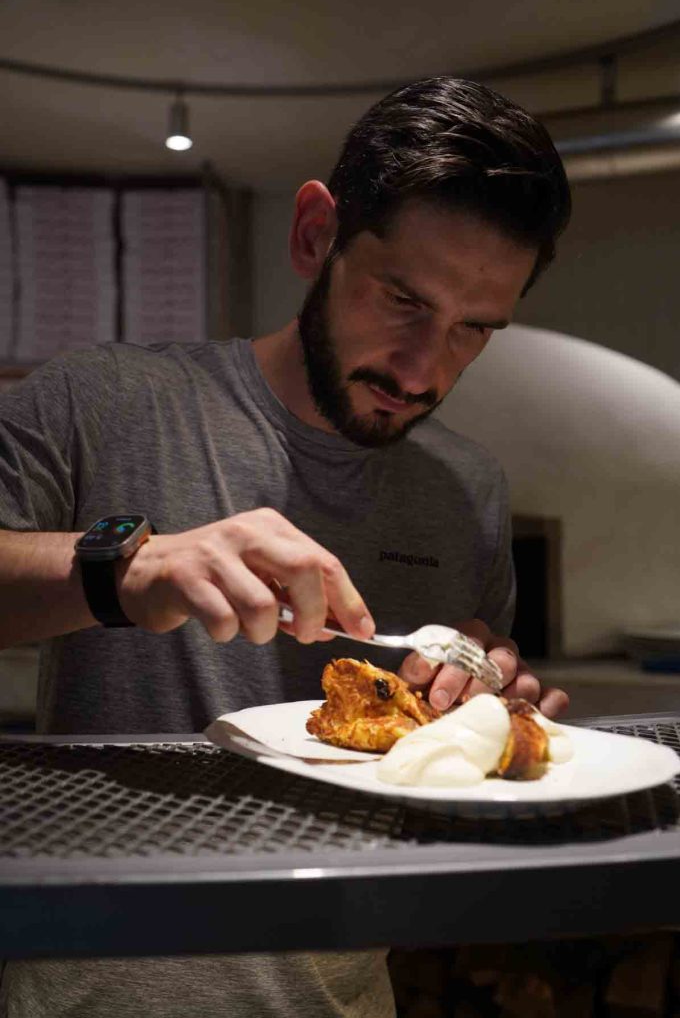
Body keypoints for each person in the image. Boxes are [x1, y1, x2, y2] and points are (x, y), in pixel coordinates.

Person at [0, 76, 571, 1017]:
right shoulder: (101, 401)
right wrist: (125, 570)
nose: (424, 371)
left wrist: (487, 695)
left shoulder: (467, 490)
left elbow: (450, 735)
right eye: (402, 300)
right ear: (315, 235)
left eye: (473, 330)